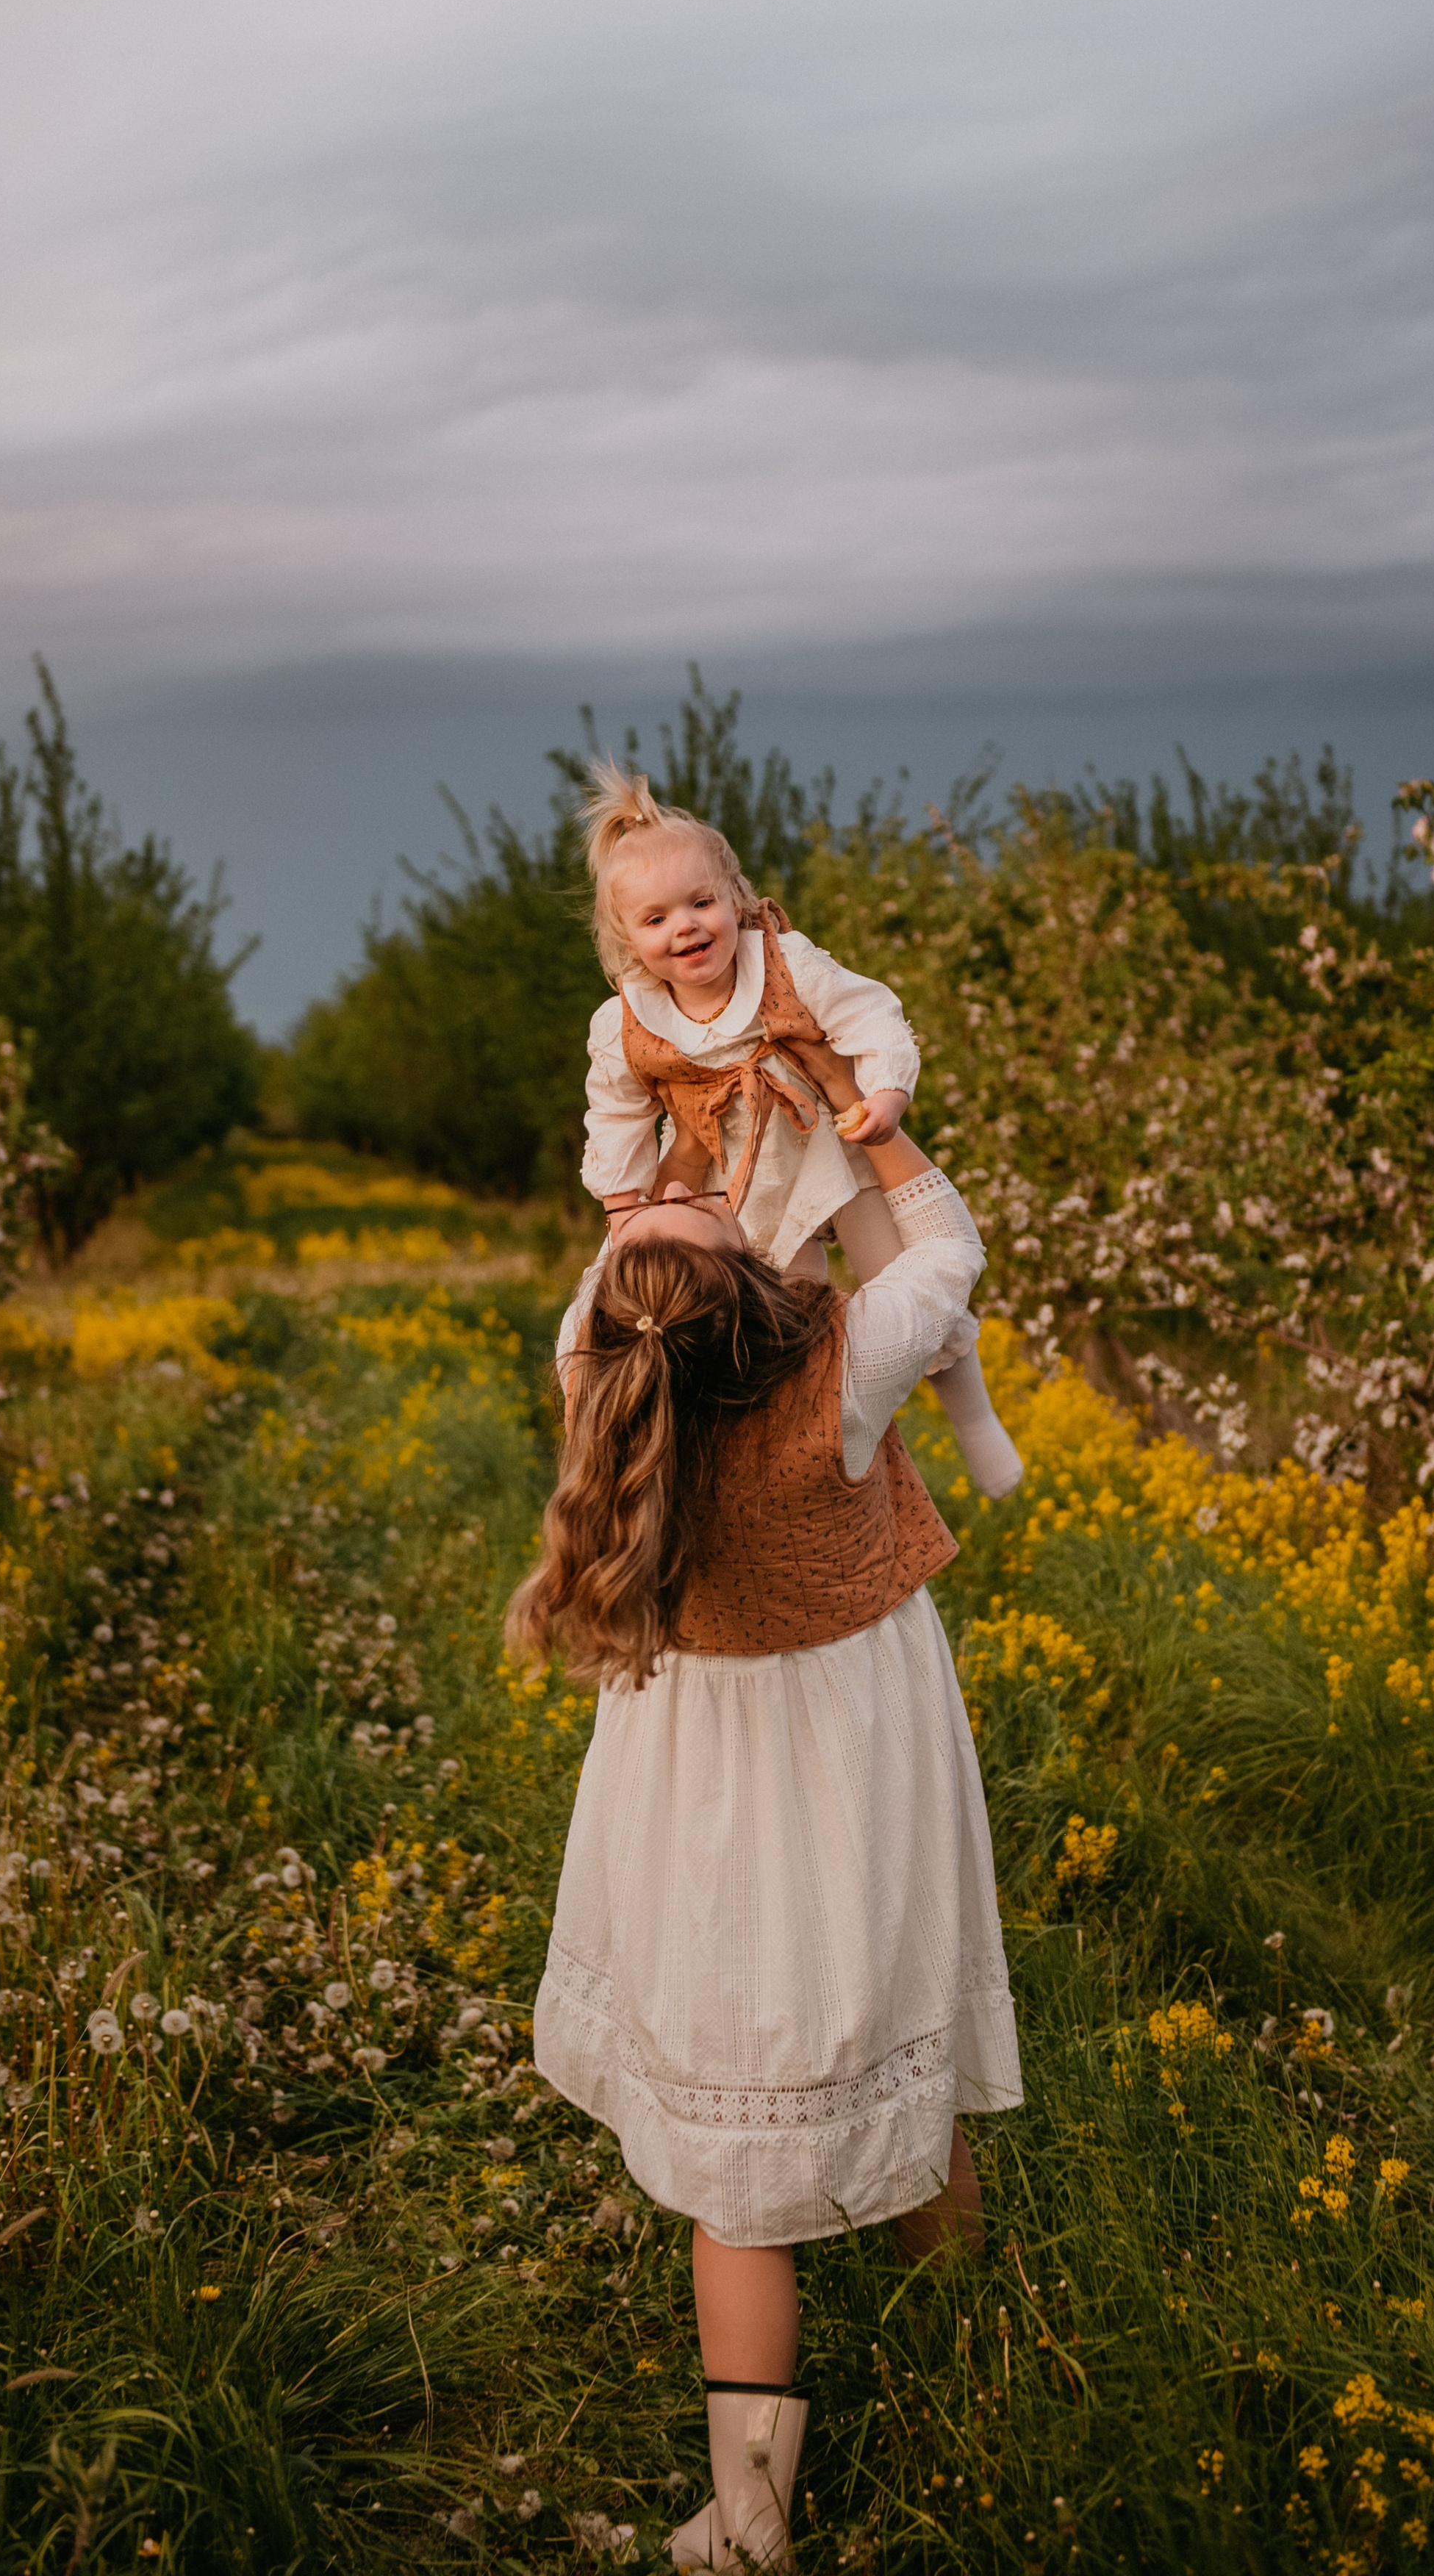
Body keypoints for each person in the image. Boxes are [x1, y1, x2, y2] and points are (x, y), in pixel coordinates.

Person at [509, 1116, 1023, 2571]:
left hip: (694, 1776)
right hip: (861, 1748)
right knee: (903, 2034)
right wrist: (872, 1126)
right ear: (755, 1291)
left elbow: (630, 1245)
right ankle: (973, 2386)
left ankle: (747, 2517)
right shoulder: (847, 1362)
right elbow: (950, 1249)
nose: (694, 1194)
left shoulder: (593, 1365)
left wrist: (652, 1190)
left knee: (737, 2176)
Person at [575, 761, 1022, 1502]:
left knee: (910, 1275)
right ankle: (770, 1442)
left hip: (828, 1144)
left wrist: (884, 1093)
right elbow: (615, 1110)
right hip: (714, 1177)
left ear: (737, 900)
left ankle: (974, 1421)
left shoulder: (786, 965)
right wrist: (623, 1207)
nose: (684, 927)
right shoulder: (624, 1019)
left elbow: (872, 1013)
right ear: (624, 936)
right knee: (712, 1302)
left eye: (700, 903)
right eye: (655, 920)